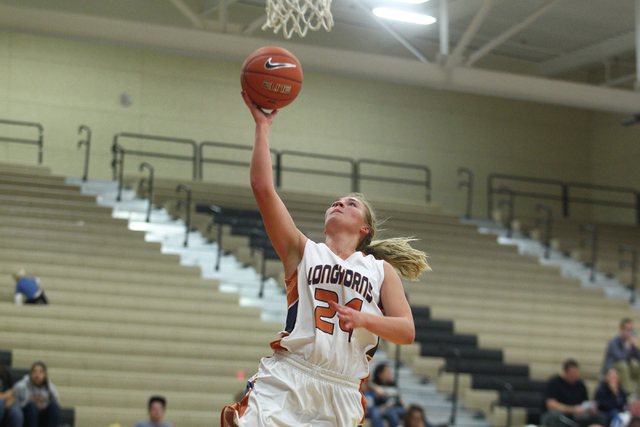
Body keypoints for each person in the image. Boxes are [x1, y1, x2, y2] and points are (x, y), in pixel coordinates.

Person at [221, 92, 430, 427]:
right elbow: (263, 188)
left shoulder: (380, 271)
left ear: (364, 228)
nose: (339, 203)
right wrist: (263, 126)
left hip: (342, 390)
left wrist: (365, 320)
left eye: (350, 203)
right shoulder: (303, 250)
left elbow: (406, 331)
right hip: (291, 374)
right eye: (336, 201)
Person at [541, 359, 606, 427]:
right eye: (572, 374)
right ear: (565, 372)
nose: (574, 376)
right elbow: (551, 405)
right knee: (557, 417)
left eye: (576, 374)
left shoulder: (580, 384)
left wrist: (589, 410)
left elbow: (585, 403)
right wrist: (572, 409)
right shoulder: (554, 383)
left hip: (576, 416)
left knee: (599, 417)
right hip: (560, 414)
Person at [13, 361, 61, 427]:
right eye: (34, 372)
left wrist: (43, 407)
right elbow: (14, 405)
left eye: (41, 372)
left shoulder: (50, 387)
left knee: (54, 406)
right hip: (26, 415)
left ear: (45, 375)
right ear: (30, 374)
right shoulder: (21, 386)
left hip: (43, 416)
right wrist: (30, 404)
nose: (37, 375)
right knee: (32, 406)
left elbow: (57, 403)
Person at [603, 319, 640, 395]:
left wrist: (637, 348)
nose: (630, 333)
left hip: (625, 368)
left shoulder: (630, 343)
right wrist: (627, 346)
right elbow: (620, 357)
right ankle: (629, 393)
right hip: (612, 367)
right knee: (623, 365)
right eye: (628, 330)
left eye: (631, 330)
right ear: (621, 329)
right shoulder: (614, 342)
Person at [368, 363, 405, 427]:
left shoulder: (393, 385)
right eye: (387, 372)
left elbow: (400, 401)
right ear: (380, 374)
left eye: (390, 372)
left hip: (396, 408)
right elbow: (374, 401)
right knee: (376, 412)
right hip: (382, 408)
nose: (390, 374)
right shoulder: (374, 385)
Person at [0, 362, 23, 427]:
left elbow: (12, 392)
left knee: (16, 413)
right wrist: (3, 396)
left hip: (5, 405)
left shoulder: (5, 372)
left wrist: (10, 401)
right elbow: (6, 394)